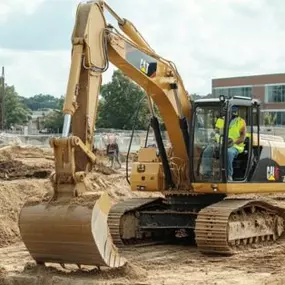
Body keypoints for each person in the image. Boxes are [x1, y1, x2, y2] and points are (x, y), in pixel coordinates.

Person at [201, 106, 246, 181]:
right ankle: (207, 174)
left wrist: (233, 141)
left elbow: (243, 137)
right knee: (207, 151)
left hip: (235, 146)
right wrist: (215, 139)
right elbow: (216, 132)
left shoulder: (241, 121)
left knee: (228, 153)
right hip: (220, 143)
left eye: (233, 111)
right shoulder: (220, 120)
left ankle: (228, 176)